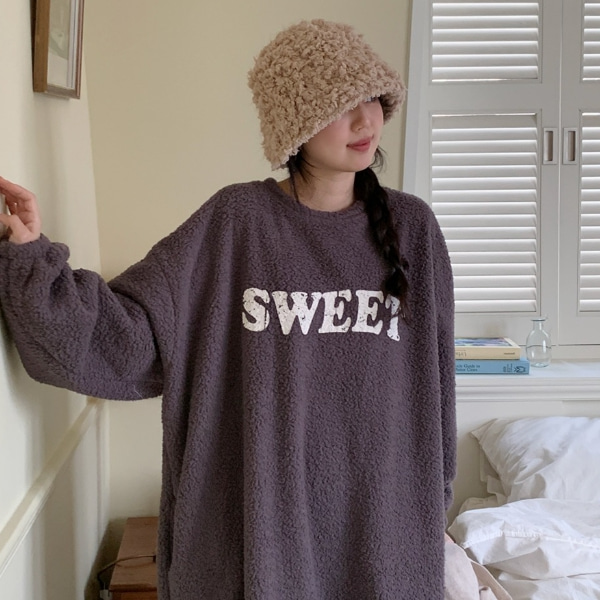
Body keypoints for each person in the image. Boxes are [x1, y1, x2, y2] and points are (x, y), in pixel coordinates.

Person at [0, 19, 456, 600]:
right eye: (343, 105)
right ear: (296, 122)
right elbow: (131, 336)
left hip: (381, 531)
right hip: (259, 530)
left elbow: (437, 382)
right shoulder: (235, 222)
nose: (366, 121)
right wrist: (31, 258)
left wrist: (430, 505)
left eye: (372, 99)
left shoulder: (413, 227)